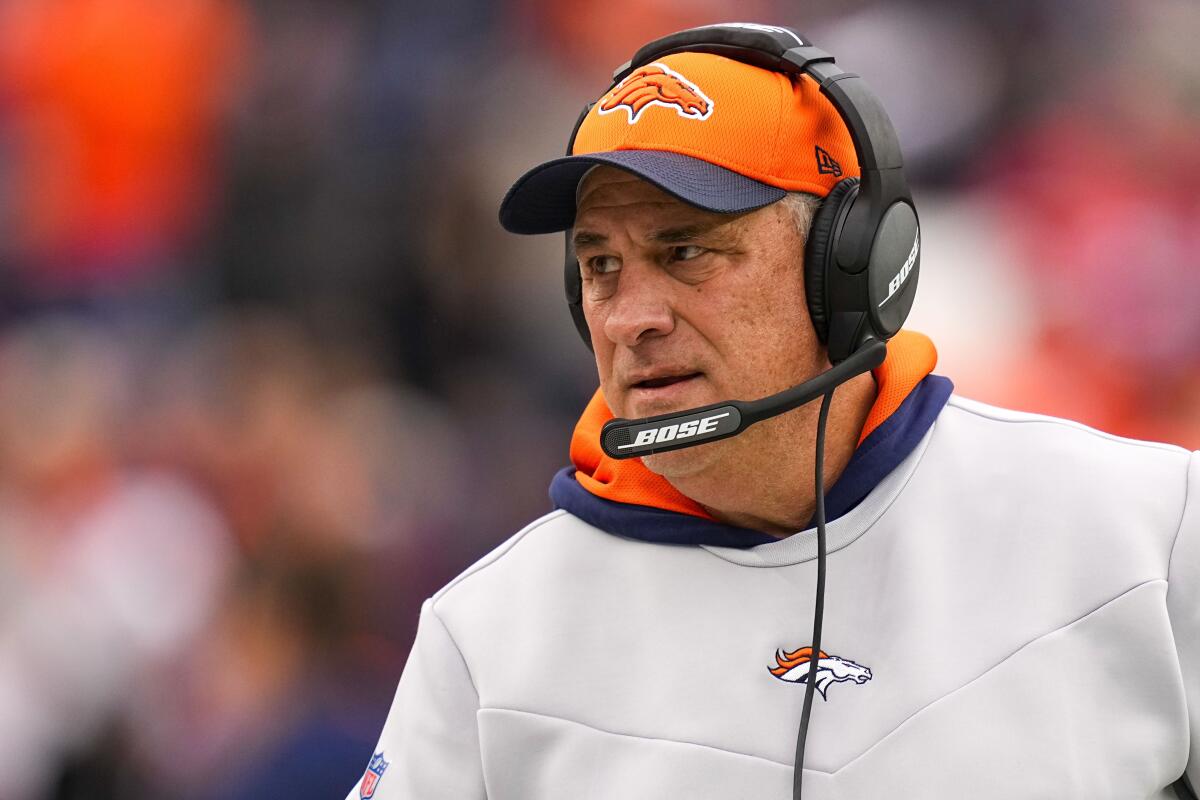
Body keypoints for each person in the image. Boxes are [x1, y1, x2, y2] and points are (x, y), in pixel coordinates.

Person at [348, 23, 1199, 800]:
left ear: (848, 272)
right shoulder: (489, 641)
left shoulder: (1143, 530)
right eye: (601, 266)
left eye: (685, 251)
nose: (629, 316)